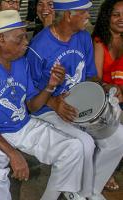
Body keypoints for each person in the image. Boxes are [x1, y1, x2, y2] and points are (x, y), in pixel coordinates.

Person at [0, 10, 88, 200]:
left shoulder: (21, 62)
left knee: (74, 148)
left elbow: (32, 106)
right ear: (2, 39)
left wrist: (50, 86)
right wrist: (13, 154)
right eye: (20, 38)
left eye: (25, 37)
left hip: (22, 126)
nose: (26, 42)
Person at [26, 0, 123, 199]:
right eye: (84, 12)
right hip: (48, 109)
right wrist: (54, 103)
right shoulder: (39, 46)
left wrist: (106, 86)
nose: (89, 16)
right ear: (69, 15)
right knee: (85, 143)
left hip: (78, 103)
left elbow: (90, 75)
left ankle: (92, 189)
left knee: (118, 137)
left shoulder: (83, 37)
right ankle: (78, 192)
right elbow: (29, 94)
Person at [92, 0, 123, 192]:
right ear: (107, 17)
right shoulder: (98, 42)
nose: (121, 19)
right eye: (116, 14)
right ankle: (105, 170)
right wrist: (109, 87)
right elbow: (94, 78)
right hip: (106, 98)